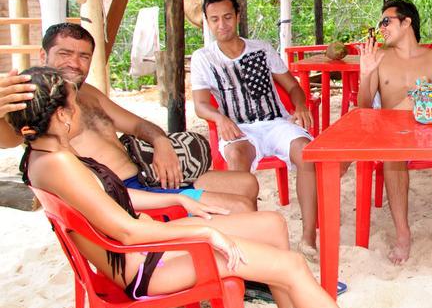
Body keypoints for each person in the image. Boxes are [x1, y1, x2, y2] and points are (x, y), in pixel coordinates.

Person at [9, 67, 386, 308]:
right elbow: (124, 228)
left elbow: (112, 199)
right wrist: (205, 232)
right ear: (59, 115)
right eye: (73, 106)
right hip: (147, 264)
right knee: (290, 265)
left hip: (147, 244)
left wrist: (177, 199)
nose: (79, 111)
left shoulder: (48, 154)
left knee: (270, 224)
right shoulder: (57, 163)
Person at [0, 23, 257, 213]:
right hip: (125, 198)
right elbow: (8, 138)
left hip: (147, 177)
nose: (75, 64)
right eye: (65, 54)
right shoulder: (34, 101)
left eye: (84, 56)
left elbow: (137, 124)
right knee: (240, 207)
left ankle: (246, 272)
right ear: (44, 56)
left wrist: (161, 142)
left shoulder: (88, 93)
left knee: (246, 183)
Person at [190, 0, 318, 256]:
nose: (221, 24)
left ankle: (308, 238)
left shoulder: (261, 48)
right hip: (239, 127)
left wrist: (301, 105)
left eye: (227, 17)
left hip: (276, 122)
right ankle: (253, 240)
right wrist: (219, 118)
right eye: (214, 19)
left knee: (307, 154)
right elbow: (201, 104)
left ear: (237, 16)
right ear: (207, 22)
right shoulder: (203, 57)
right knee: (237, 156)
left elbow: (292, 86)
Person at [356, 0, 432, 264]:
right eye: (380, 23)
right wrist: (366, 74)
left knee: (416, 98)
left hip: (428, 128)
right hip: (393, 134)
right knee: (393, 152)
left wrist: (426, 101)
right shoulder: (379, 58)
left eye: (386, 21)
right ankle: (403, 233)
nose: (381, 28)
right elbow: (364, 107)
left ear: (406, 22)